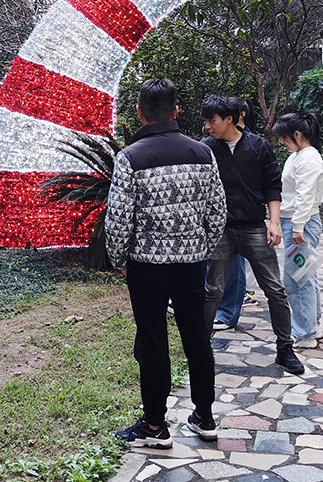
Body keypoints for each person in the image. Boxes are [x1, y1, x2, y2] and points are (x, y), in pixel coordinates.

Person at [107, 78, 227, 448]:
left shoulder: (130, 158)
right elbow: (218, 213)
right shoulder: (203, 154)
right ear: (176, 111)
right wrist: (200, 248)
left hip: (146, 266)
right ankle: (204, 417)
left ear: (139, 113)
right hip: (191, 264)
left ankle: (155, 426)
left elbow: (118, 219)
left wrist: (119, 259)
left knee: (153, 341)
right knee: (197, 338)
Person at [201, 94, 305, 375]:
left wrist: (274, 222)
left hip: (253, 228)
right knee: (212, 291)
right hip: (220, 231)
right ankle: (201, 350)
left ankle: (285, 349)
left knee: (275, 290)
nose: (207, 126)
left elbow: (272, 185)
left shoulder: (258, 146)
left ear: (229, 119)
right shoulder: (206, 149)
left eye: (211, 120)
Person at [273, 112, 323, 349]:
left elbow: (305, 196)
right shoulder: (298, 156)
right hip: (296, 221)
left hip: (301, 224)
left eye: (284, 137)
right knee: (305, 275)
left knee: (297, 279)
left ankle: (305, 333)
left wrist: (297, 227)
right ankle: (312, 324)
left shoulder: (308, 159)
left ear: (297, 134)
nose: (281, 142)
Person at [213, 97, 258, 331]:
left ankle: (229, 312)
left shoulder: (251, 144)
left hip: (239, 215)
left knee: (236, 262)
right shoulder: (215, 145)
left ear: (236, 117)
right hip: (219, 214)